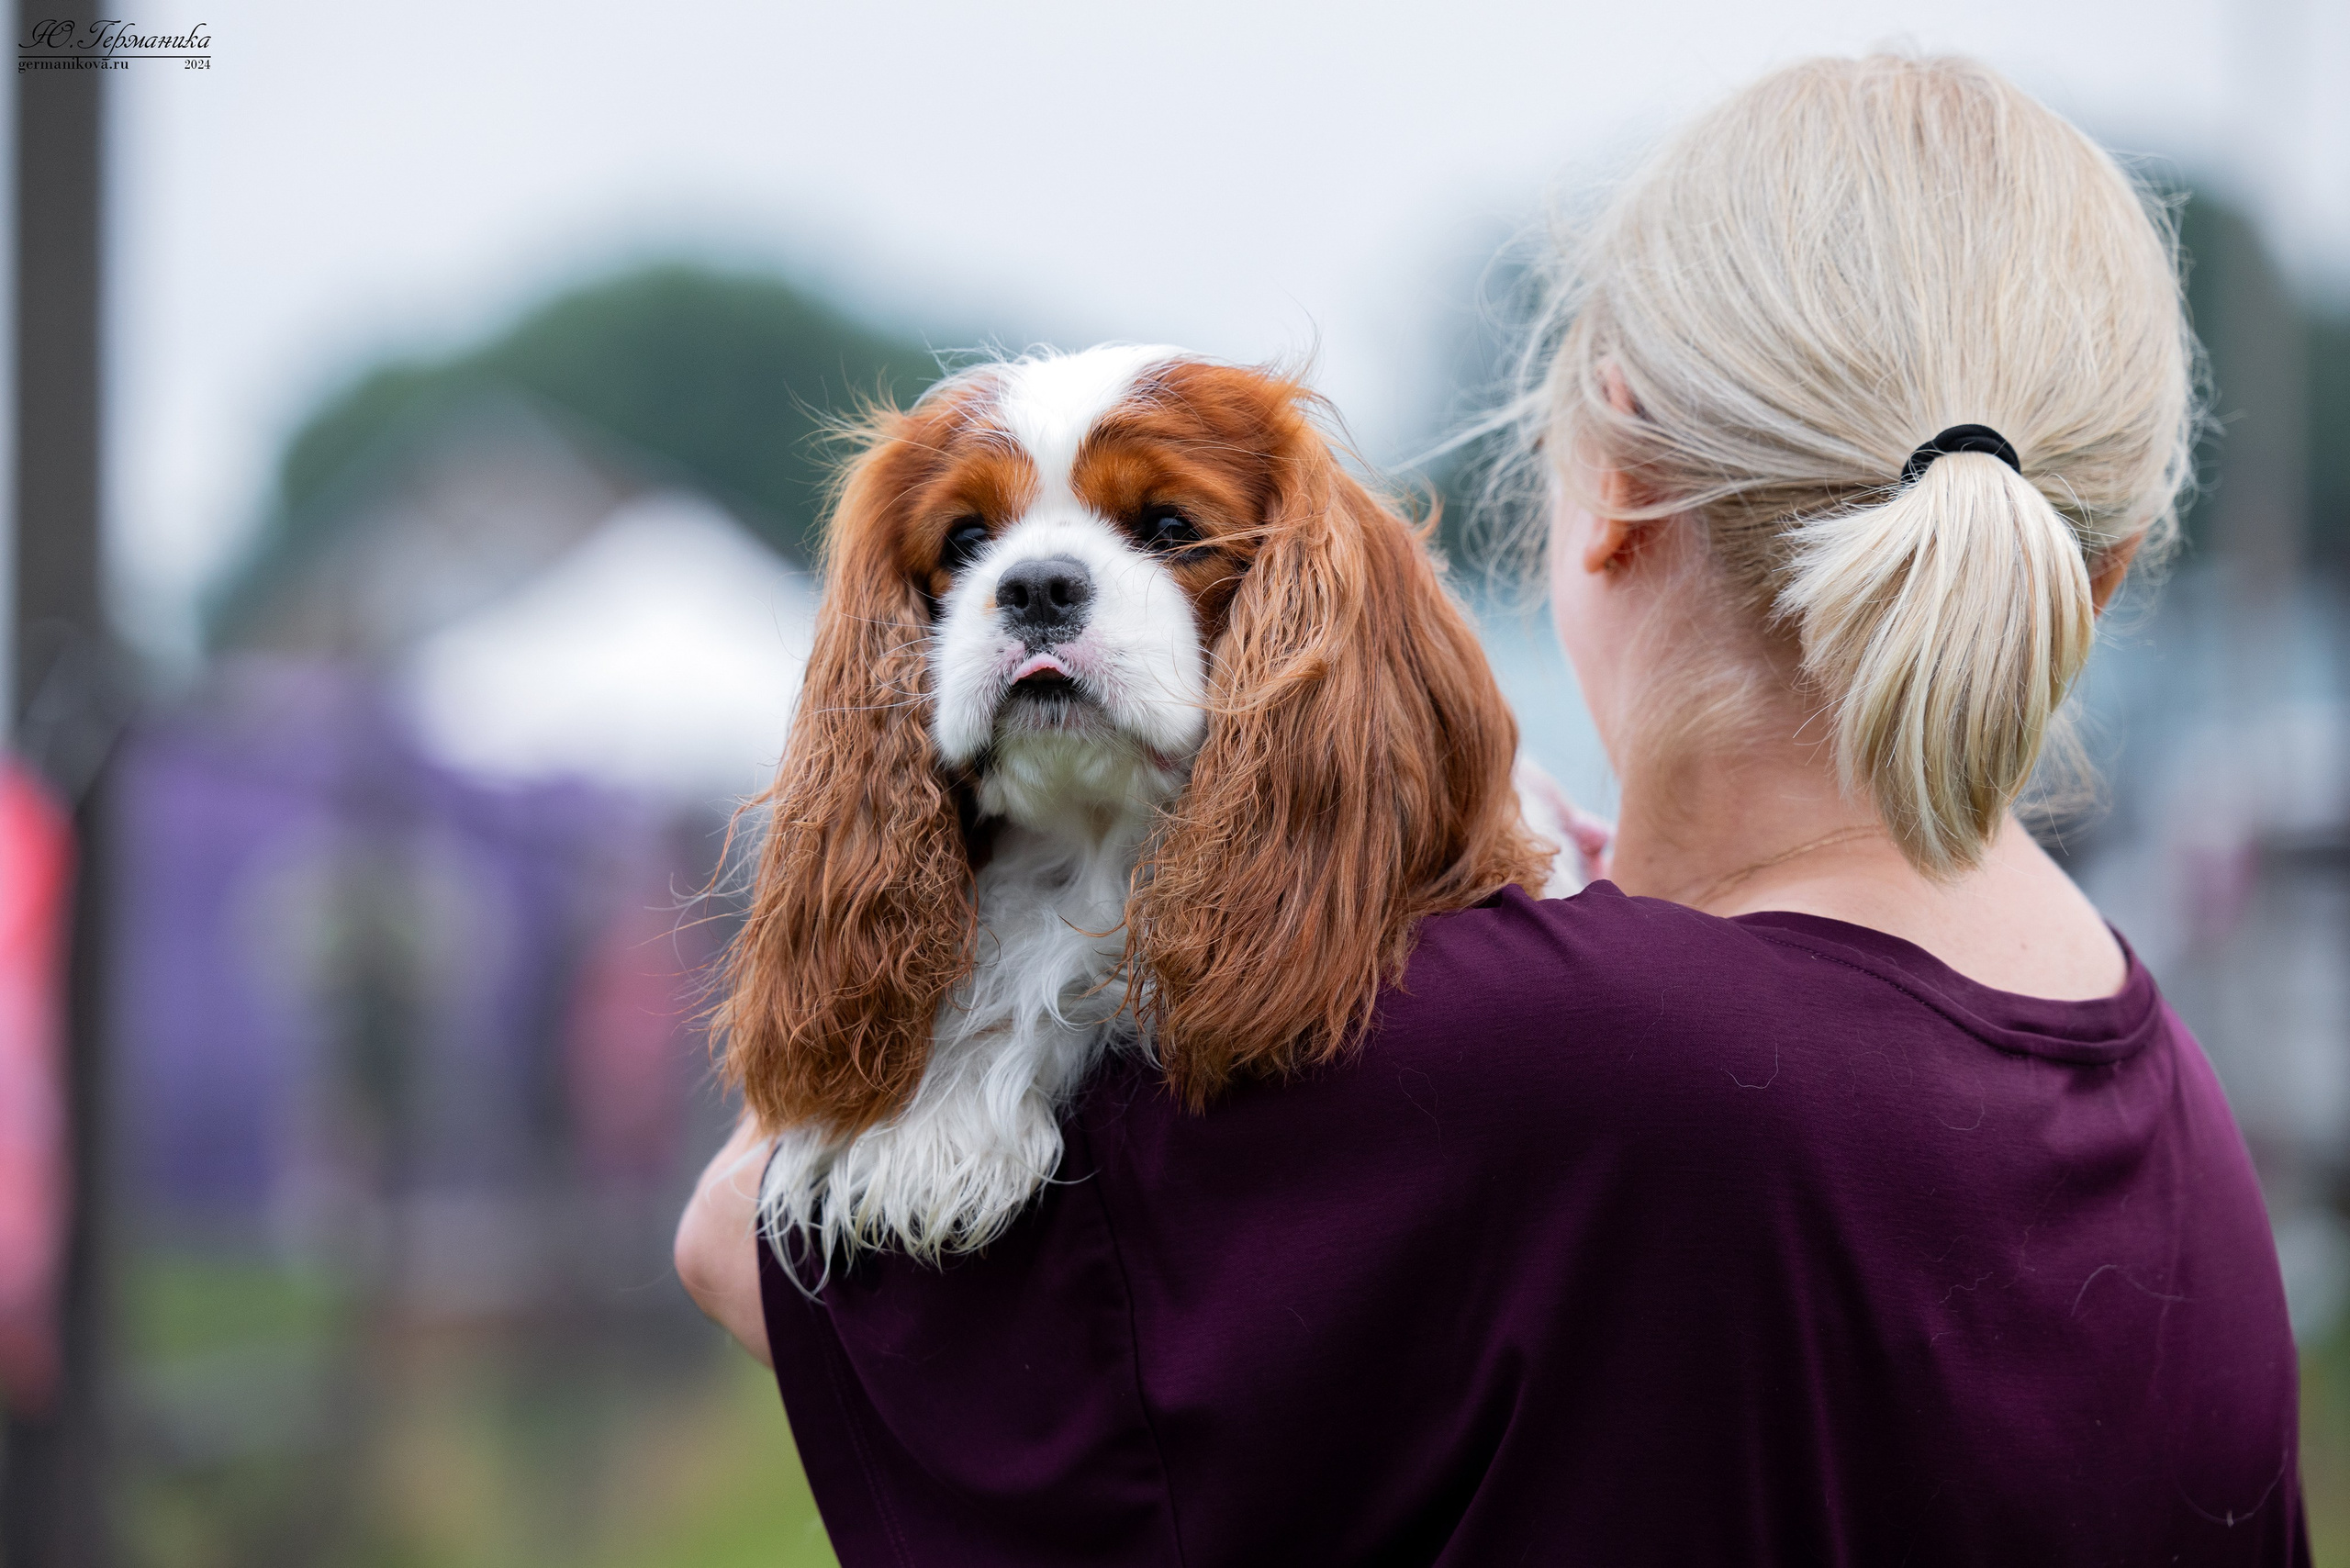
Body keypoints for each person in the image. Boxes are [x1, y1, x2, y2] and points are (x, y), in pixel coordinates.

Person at [676, 53, 2304, 1565]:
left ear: (1607, 487)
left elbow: (752, 1236)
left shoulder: (1503, 1056)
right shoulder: (2185, 1136)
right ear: (2096, 572)